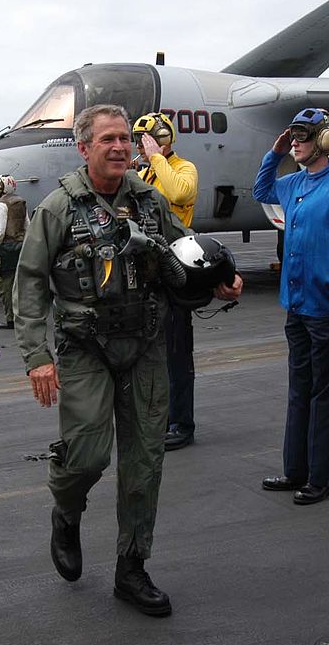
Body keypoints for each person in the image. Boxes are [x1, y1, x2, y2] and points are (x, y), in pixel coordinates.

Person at [14, 104, 241, 617]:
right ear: (84, 148)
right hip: (85, 349)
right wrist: (36, 356)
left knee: (144, 464)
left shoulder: (148, 201)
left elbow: (184, 251)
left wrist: (220, 279)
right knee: (88, 456)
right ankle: (66, 512)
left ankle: (132, 567)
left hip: (145, 346)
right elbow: (30, 282)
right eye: (108, 139)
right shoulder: (57, 209)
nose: (120, 147)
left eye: (125, 139)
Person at [253, 107, 329, 506]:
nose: (296, 143)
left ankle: (320, 478)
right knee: (299, 391)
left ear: (325, 141)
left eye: (302, 137)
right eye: (293, 137)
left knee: (326, 396)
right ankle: (296, 471)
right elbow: (261, 192)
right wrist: (273, 154)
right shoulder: (293, 184)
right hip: (298, 308)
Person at [133, 112, 200, 450]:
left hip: (176, 264)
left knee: (176, 353)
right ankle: (162, 418)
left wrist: (157, 156)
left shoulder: (183, 168)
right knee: (152, 354)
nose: (140, 147)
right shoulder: (144, 171)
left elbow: (180, 194)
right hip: (149, 270)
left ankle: (182, 423)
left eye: (146, 139)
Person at [0, 174, 27, 329]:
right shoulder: (21, 203)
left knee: (4, 285)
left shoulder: (1, 205)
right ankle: (22, 317)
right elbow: (27, 225)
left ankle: (10, 319)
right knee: (18, 284)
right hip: (20, 247)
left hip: (6, 249)